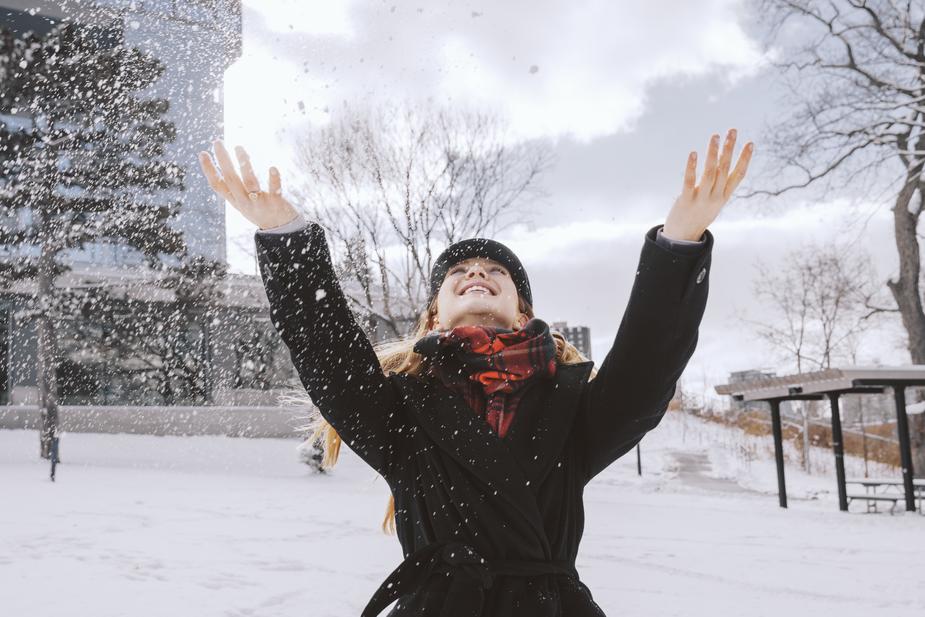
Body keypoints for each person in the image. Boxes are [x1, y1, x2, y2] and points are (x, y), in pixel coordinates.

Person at [198, 130, 753, 616]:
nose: (477, 274)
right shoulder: (401, 410)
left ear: (524, 311)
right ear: (435, 312)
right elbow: (328, 357)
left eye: (495, 271)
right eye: (458, 272)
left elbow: (645, 370)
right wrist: (288, 238)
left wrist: (677, 244)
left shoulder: (573, 407)